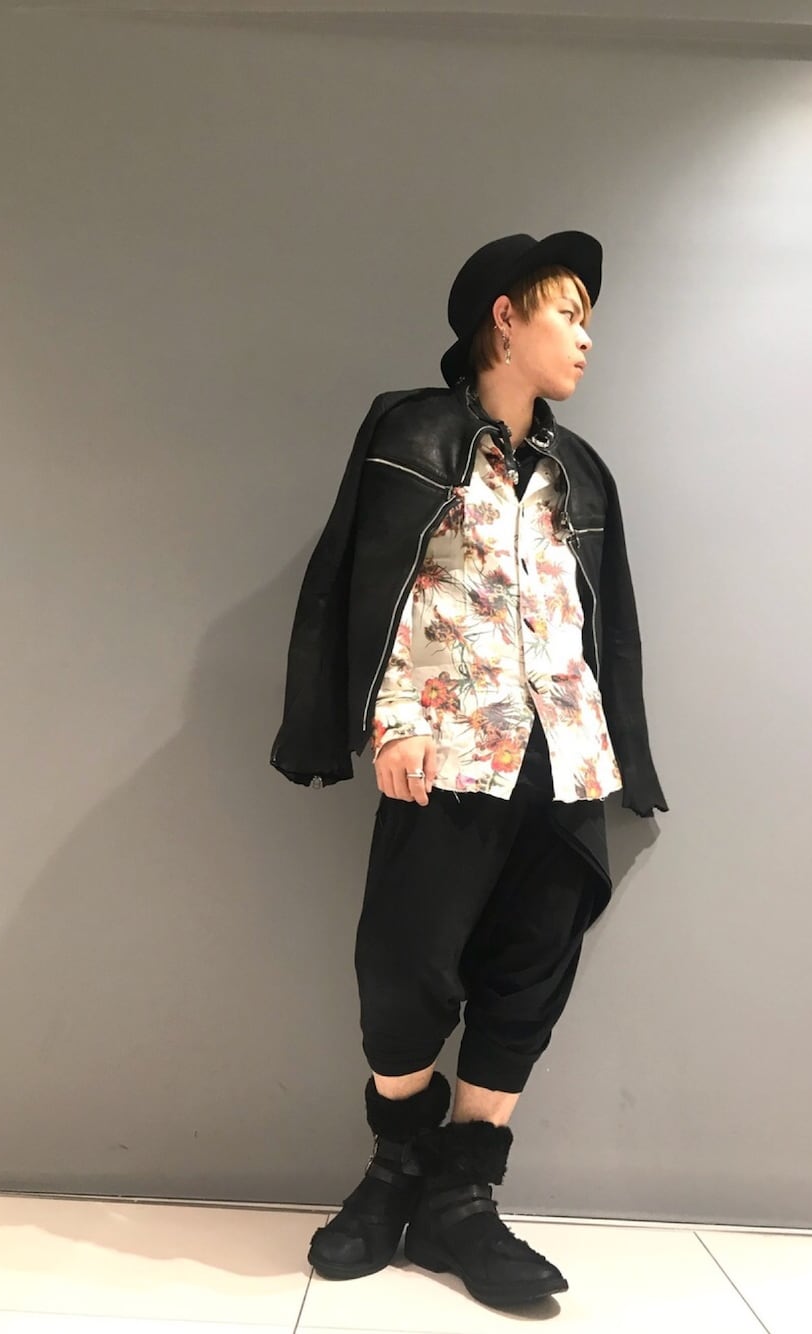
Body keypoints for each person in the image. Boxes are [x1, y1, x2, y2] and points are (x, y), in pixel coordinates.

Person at [271, 231, 668, 1309]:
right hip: (448, 748)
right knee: (403, 967)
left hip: (564, 754)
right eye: (568, 314)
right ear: (505, 316)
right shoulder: (413, 429)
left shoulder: (582, 471)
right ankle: (395, 1166)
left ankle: (460, 1200)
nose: (585, 338)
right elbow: (374, 580)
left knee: (529, 972)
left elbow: (607, 618)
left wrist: (620, 752)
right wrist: (390, 720)